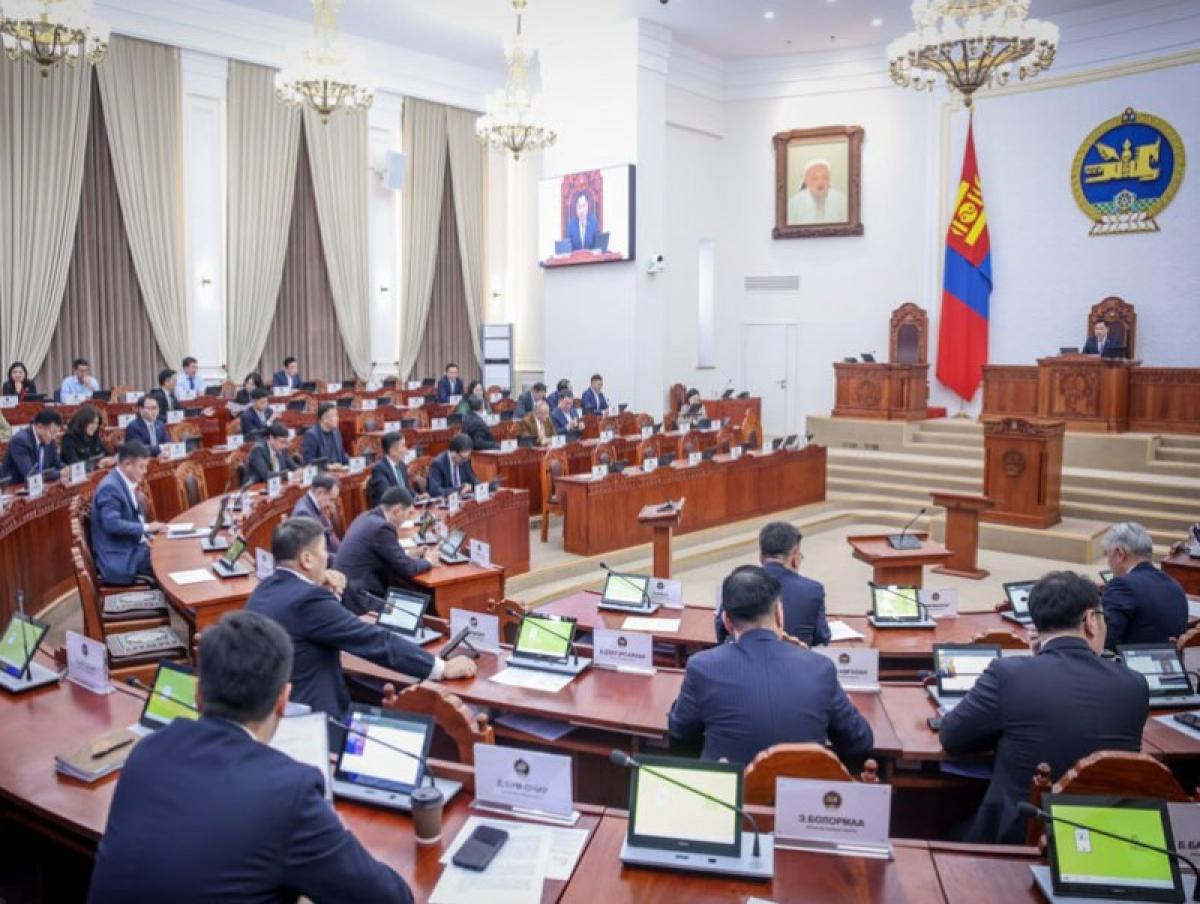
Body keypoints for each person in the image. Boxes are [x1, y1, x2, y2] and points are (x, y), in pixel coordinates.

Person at [88, 610, 417, 904]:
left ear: (198, 693)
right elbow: (390, 898)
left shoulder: (148, 750)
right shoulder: (290, 792)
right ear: (283, 701)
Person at [940, 570, 1149, 844]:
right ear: (1090, 620)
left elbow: (952, 737)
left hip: (1021, 841)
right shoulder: (1134, 684)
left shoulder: (1009, 673)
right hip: (1105, 840)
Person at [246, 518, 476, 739]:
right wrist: (441, 668)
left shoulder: (263, 590)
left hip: (270, 718)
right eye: (323, 551)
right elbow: (373, 640)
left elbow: (311, 627)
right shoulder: (307, 600)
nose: (328, 558)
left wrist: (320, 587)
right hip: (315, 725)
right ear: (307, 559)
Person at [669, 565, 873, 766]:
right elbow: (859, 744)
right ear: (779, 613)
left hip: (732, 786)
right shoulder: (820, 668)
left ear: (727, 621)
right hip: (801, 787)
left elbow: (679, 734)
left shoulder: (703, 667)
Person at [714, 522, 830, 646]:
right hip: (794, 656)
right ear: (794, 556)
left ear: (760, 555)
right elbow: (822, 638)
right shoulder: (812, 590)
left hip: (740, 656)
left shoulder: (737, 583)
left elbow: (721, 633)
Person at [335, 487, 437, 615]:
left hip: (349, 592)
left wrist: (410, 554)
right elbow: (407, 568)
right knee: (419, 607)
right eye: (408, 514)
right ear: (396, 511)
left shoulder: (366, 516)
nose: (408, 519)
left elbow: (383, 553)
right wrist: (429, 560)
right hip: (361, 599)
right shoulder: (381, 528)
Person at [1101, 521, 1188, 650]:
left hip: (1130, 661)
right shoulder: (1175, 586)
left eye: (1108, 555)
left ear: (1120, 554)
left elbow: (1105, 642)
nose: (1108, 563)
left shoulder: (1122, 585)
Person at [90, 441, 164, 584]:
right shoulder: (110, 488)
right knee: (167, 558)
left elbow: (133, 519)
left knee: (168, 549)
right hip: (120, 558)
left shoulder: (122, 483)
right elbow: (112, 524)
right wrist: (147, 528)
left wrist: (147, 537)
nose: (145, 471)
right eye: (141, 467)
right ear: (127, 464)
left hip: (131, 548)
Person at [1, 409, 64, 484]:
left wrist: (68, 469)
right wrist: (59, 473)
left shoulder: (49, 441)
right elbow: (30, 474)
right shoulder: (20, 441)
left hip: (38, 485)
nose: (54, 437)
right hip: (14, 486)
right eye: (52, 432)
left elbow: (58, 464)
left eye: (56, 433)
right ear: (40, 427)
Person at [292, 473, 343, 557]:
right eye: (331, 500)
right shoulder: (303, 513)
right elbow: (315, 553)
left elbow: (330, 537)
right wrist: (341, 559)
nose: (332, 505)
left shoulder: (317, 505)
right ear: (320, 493)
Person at [787, 158, 848, 225]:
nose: (820, 182)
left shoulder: (841, 199)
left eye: (825, 178)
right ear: (806, 181)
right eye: (814, 178)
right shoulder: (794, 203)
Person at [60, 405, 117, 469]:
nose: (94, 427)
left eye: (96, 423)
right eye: (92, 423)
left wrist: (108, 459)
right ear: (83, 421)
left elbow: (105, 453)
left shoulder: (95, 437)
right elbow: (75, 465)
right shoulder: (69, 439)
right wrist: (96, 465)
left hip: (97, 472)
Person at [368, 431, 412, 505]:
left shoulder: (402, 466)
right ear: (392, 451)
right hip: (389, 509)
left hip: (403, 507)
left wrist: (418, 497)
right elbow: (387, 494)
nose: (406, 450)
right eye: (403, 446)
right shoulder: (379, 469)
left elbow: (407, 489)